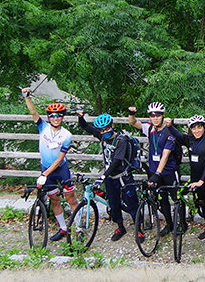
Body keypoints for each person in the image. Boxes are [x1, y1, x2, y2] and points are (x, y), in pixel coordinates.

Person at [22, 89, 77, 241]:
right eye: (52, 115)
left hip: (60, 170)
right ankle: (63, 228)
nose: (55, 118)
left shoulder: (66, 135)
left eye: (58, 115)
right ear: (49, 118)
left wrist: (44, 175)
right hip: (46, 169)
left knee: (71, 199)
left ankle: (78, 229)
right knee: (54, 200)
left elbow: (59, 160)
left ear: (63, 117)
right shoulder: (43, 127)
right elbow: (34, 113)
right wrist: (26, 97)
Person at [76, 110, 140, 241]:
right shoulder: (102, 136)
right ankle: (120, 227)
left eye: (107, 128)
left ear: (112, 126)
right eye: (102, 130)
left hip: (123, 176)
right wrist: (81, 117)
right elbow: (86, 127)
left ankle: (138, 229)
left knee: (131, 202)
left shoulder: (121, 140)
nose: (105, 132)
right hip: (110, 178)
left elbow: (116, 161)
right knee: (113, 203)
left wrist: (103, 176)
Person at [128, 102, 179, 237]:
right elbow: (133, 122)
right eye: (152, 115)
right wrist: (131, 113)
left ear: (163, 115)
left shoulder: (169, 131)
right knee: (162, 199)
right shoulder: (149, 128)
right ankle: (169, 224)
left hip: (168, 170)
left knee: (176, 198)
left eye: (158, 115)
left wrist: (157, 173)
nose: (155, 118)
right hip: (154, 170)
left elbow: (165, 155)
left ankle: (182, 224)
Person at [171, 114, 205, 244]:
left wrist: (202, 181)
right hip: (196, 181)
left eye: (199, 127)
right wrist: (169, 125)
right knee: (203, 205)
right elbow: (177, 135)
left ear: (204, 127)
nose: (196, 131)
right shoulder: (190, 140)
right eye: (193, 128)